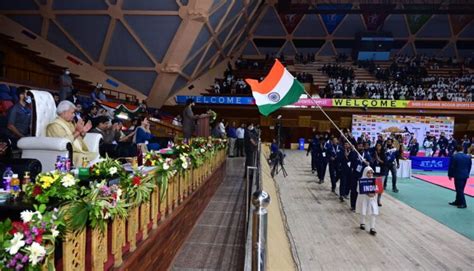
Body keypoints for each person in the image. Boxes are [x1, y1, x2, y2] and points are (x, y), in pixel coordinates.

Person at [46, 101, 97, 167]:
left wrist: (82, 132)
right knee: (91, 158)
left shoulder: (70, 123)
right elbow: (64, 143)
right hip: (65, 155)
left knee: (98, 156)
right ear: (64, 113)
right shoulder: (55, 125)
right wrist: (78, 132)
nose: (74, 115)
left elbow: (76, 140)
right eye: (72, 113)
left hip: (77, 152)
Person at [356, 167, 379, 236]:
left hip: (372, 199)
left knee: (373, 212)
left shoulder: (375, 180)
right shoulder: (361, 180)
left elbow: (378, 189)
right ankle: (362, 223)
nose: (370, 174)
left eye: (371, 172)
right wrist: (367, 193)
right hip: (364, 199)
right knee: (363, 211)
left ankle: (372, 228)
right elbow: (358, 190)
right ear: (365, 172)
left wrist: (374, 193)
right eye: (368, 172)